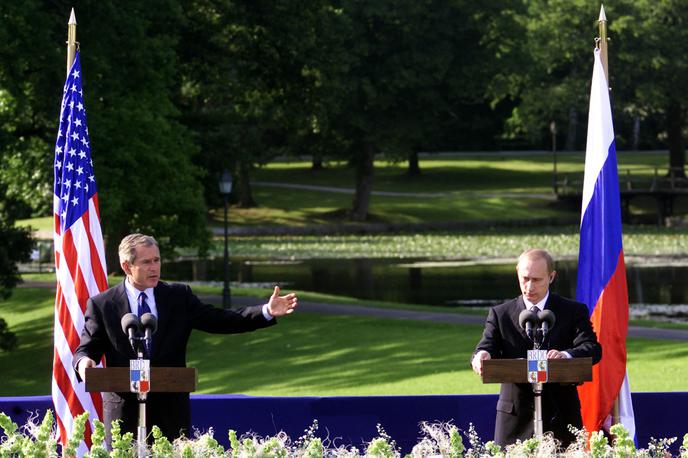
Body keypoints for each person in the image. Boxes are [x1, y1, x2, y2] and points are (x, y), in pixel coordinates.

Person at [73, 233, 298, 443]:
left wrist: (266, 311)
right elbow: (86, 349)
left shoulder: (178, 296)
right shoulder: (103, 304)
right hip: (124, 414)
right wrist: (84, 364)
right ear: (126, 266)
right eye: (146, 262)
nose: (155, 268)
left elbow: (220, 320)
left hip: (170, 411)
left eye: (157, 260)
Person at [471, 248, 601, 447]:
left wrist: (566, 355)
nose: (529, 286)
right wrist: (481, 355)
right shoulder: (500, 314)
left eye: (537, 280)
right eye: (525, 278)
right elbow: (487, 346)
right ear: (517, 273)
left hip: (561, 415)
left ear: (551, 277)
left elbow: (592, 348)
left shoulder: (572, 311)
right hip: (514, 419)